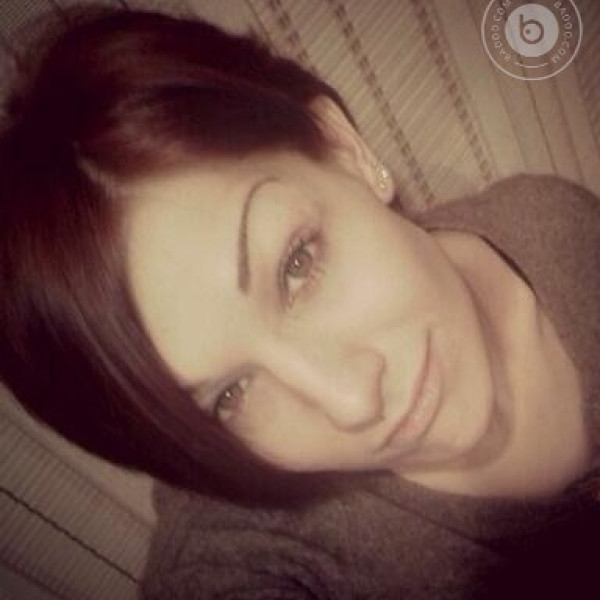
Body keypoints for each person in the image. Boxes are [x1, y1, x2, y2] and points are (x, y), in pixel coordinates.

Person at [1, 6, 598, 599]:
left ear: (343, 149)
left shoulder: (552, 220)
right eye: (229, 396)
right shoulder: (255, 565)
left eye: (297, 264)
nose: (352, 403)